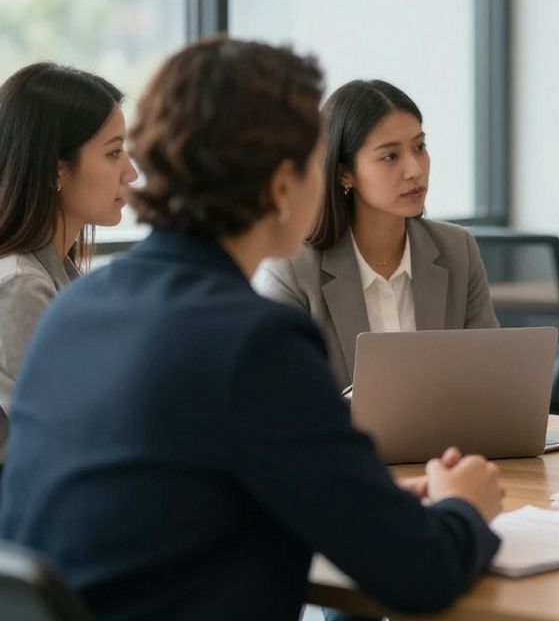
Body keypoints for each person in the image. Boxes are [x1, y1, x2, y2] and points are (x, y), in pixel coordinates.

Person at [0, 37, 504, 620]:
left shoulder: (78, 308)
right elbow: (419, 574)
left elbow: (183, 497)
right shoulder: (255, 342)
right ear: (281, 183)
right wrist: (465, 507)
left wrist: (368, 502)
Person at [256, 79, 497, 387]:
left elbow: (489, 378)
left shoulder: (457, 249)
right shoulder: (291, 268)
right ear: (345, 172)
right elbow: (278, 394)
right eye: (390, 156)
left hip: (447, 435)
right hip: (341, 436)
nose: (415, 170)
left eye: (420, 147)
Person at [0, 63, 135, 458]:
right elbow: (60, 439)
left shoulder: (61, 275)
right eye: (113, 153)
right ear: (56, 170)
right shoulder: (20, 286)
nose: (131, 172)